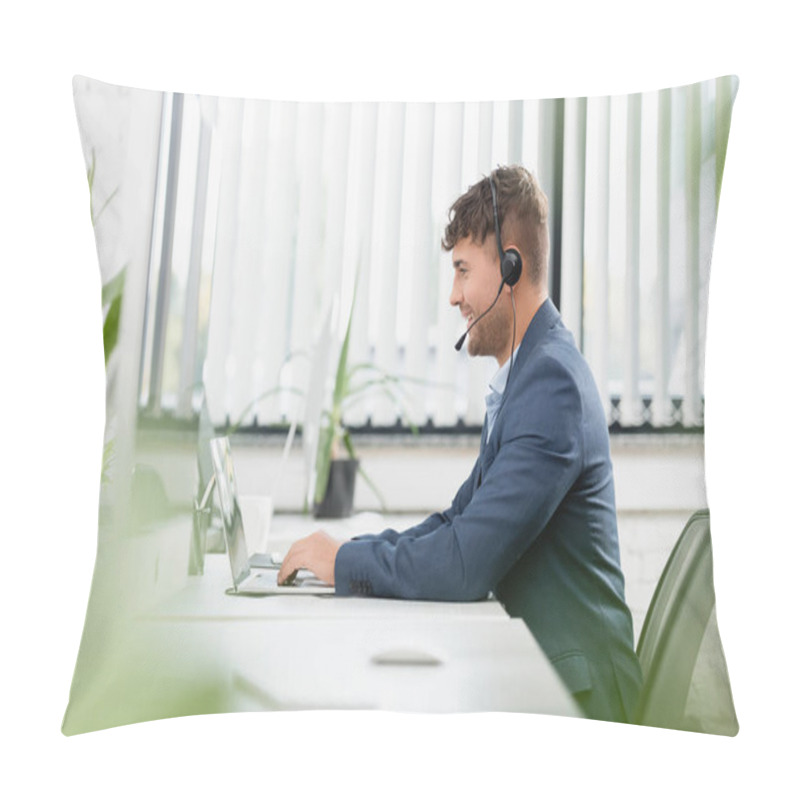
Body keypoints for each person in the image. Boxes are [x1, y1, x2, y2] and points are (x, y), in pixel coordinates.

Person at [278, 165, 642, 723]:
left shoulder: (551, 384)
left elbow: (466, 562)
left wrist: (346, 561)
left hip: (580, 698)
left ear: (511, 266)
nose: (453, 296)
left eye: (463, 271)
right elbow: (456, 523)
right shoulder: (529, 376)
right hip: (545, 674)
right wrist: (348, 550)